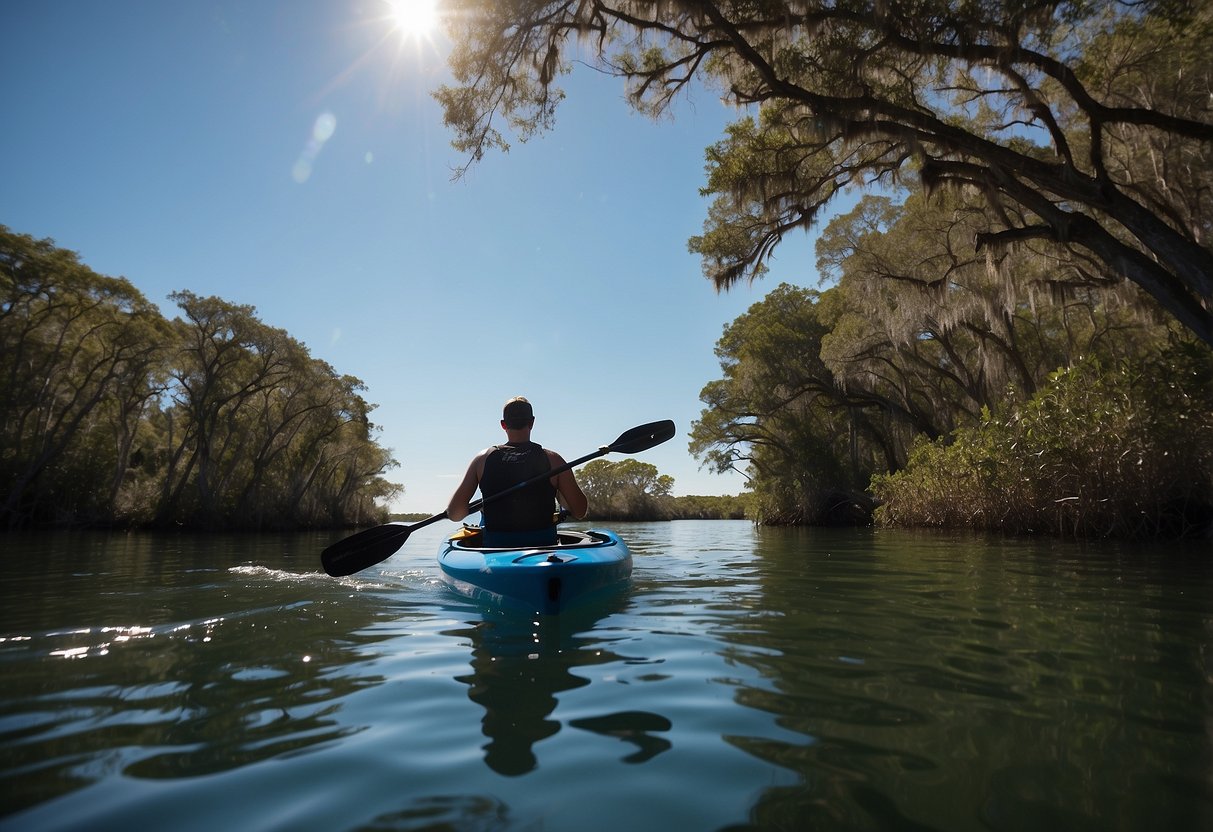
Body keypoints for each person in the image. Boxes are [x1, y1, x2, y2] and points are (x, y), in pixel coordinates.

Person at [447, 397, 589, 547]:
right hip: (543, 548)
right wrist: (560, 495)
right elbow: (580, 511)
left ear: (503, 424)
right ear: (532, 422)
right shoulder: (554, 460)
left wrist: (482, 506)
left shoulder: (482, 459)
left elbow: (455, 514)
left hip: (495, 550)